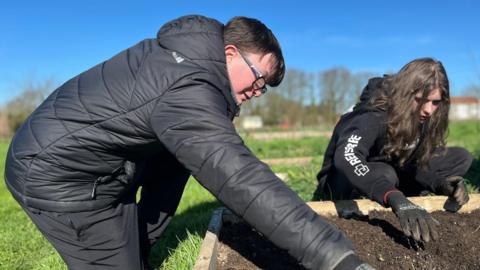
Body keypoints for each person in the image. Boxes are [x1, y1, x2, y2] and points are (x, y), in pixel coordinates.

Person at [5, 15, 373, 270]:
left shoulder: (189, 63)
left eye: (265, 88)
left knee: (175, 166)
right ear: (230, 54)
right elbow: (238, 176)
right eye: (259, 79)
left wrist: (140, 244)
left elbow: (180, 170)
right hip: (56, 175)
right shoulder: (186, 88)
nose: (258, 92)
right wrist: (334, 256)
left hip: (100, 164)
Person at [314, 57, 473, 243]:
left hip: (392, 166)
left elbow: (418, 160)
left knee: (461, 157)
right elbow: (346, 157)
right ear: (406, 94)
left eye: (435, 102)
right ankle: (380, 193)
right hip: (344, 180)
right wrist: (394, 197)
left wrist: (441, 183)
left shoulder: (424, 115)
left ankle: (401, 188)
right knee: (385, 173)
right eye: (420, 100)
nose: (429, 110)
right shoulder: (374, 112)